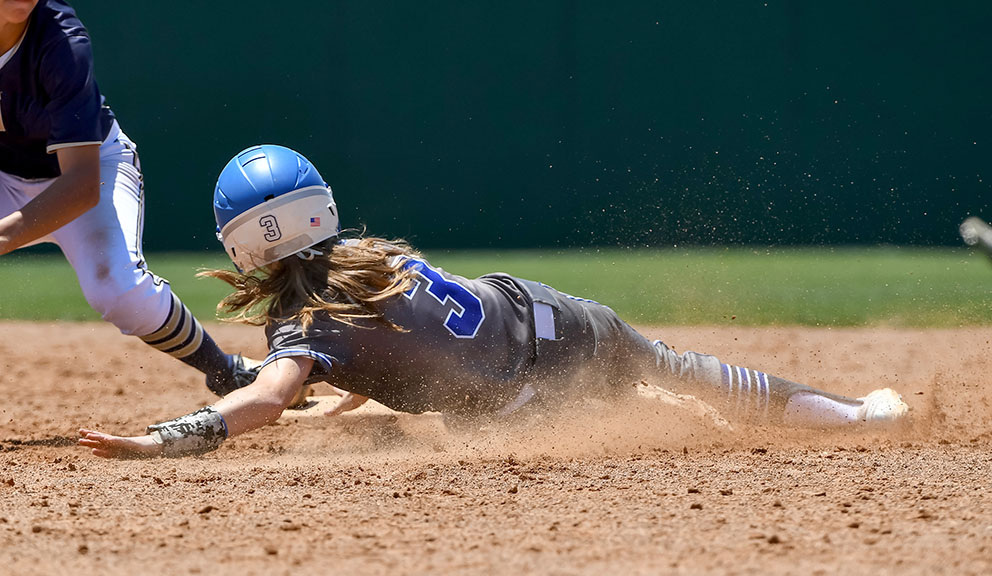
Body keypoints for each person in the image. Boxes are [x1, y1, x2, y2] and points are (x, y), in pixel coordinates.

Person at [78, 145, 910, 459]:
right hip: (561, 316)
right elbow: (404, 335)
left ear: (240, 246)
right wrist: (349, 393)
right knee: (684, 370)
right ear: (321, 207)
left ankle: (681, 420)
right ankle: (860, 417)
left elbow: (264, 396)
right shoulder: (376, 257)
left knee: (435, 433)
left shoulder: (301, 324)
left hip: (520, 403)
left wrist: (175, 435)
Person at [0, 1, 257, 394]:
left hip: (90, 171)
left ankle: (225, 369)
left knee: (117, 288)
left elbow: (83, 185)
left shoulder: (62, 43)